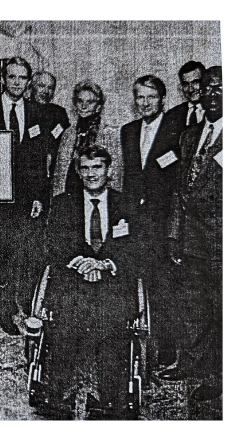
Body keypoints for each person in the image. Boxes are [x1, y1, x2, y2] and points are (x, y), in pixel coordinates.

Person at [43, 146, 138, 419]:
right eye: (85, 168)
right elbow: (54, 244)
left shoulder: (127, 204)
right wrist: (81, 262)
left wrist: (105, 264)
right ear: (77, 171)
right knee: (65, 317)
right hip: (74, 279)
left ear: (109, 170)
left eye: (97, 168)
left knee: (113, 321)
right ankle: (59, 395)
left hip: (113, 280)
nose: (91, 174)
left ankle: (110, 400)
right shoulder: (63, 203)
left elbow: (138, 248)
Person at [0, 56, 56, 344]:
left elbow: (39, 160)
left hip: (23, 200)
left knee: (13, 259)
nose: (17, 83)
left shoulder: (37, 113)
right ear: (3, 79)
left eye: (22, 78)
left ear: (28, 82)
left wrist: (38, 197)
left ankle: (5, 313)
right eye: (12, 77)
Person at [164, 67, 222, 402]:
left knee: (225, 309)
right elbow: (178, 191)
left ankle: (221, 377)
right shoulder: (190, 136)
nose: (210, 95)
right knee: (194, 307)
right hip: (190, 240)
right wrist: (173, 234)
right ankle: (193, 364)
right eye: (206, 88)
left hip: (223, 241)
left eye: (220, 89)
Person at [120, 75, 183, 367]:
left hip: (161, 222)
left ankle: (166, 351)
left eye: (151, 97)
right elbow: (130, 178)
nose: (145, 103)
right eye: (140, 97)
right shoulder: (128, 131)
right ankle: (131, 348)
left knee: (163, 287)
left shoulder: (177, 131)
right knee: (132, 279)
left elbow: (176, 183)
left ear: (162, 100)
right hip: (134, 219)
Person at [52, 80, 123, 197]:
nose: (84, 106)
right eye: (80, 101)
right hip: (70, 196)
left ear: (98, 107)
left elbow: (115, 173)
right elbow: (59, 174)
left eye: (90, 102)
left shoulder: (110, 134)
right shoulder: (68, 133)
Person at [30, 71, 70, 143]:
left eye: (50, 88)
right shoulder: (23, 109)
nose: (46, 91)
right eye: (41, 86)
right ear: (32, 87)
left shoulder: (59, 112)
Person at [165, 61, 207, 130]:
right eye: (186, 84)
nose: (191, 89)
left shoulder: (214, 110)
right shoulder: (172, 115)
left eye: (195, 82)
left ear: (205, 82)